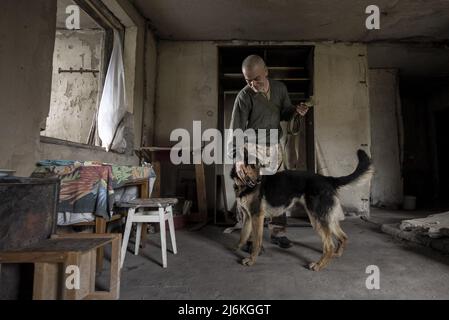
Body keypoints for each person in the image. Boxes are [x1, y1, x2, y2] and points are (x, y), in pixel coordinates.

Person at [227, 54, 309, 251]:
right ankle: (248, 239)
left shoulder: (280, 88)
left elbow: (285, 111)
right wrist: (239, 159)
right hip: (251, 148)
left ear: (266, 72)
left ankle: (277, 232)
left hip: (274, 146)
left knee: (278, 189)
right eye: (248, 80)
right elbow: (235, 129)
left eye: (257, 79)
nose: (253, 84)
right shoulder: (244, 96)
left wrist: (297, 111)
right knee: (249, 193)